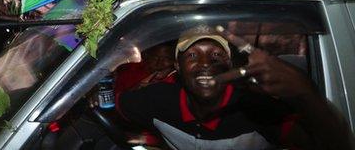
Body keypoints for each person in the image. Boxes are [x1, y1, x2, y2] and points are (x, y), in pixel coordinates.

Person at [117, 25, 354, 149]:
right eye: (192, 56)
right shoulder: (157, 99)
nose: (205, 64)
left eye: (217, 54)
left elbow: (330, 144)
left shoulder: (254, 108)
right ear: (176, 67)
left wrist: (305, 93)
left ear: (230, 64)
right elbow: (110, 107)